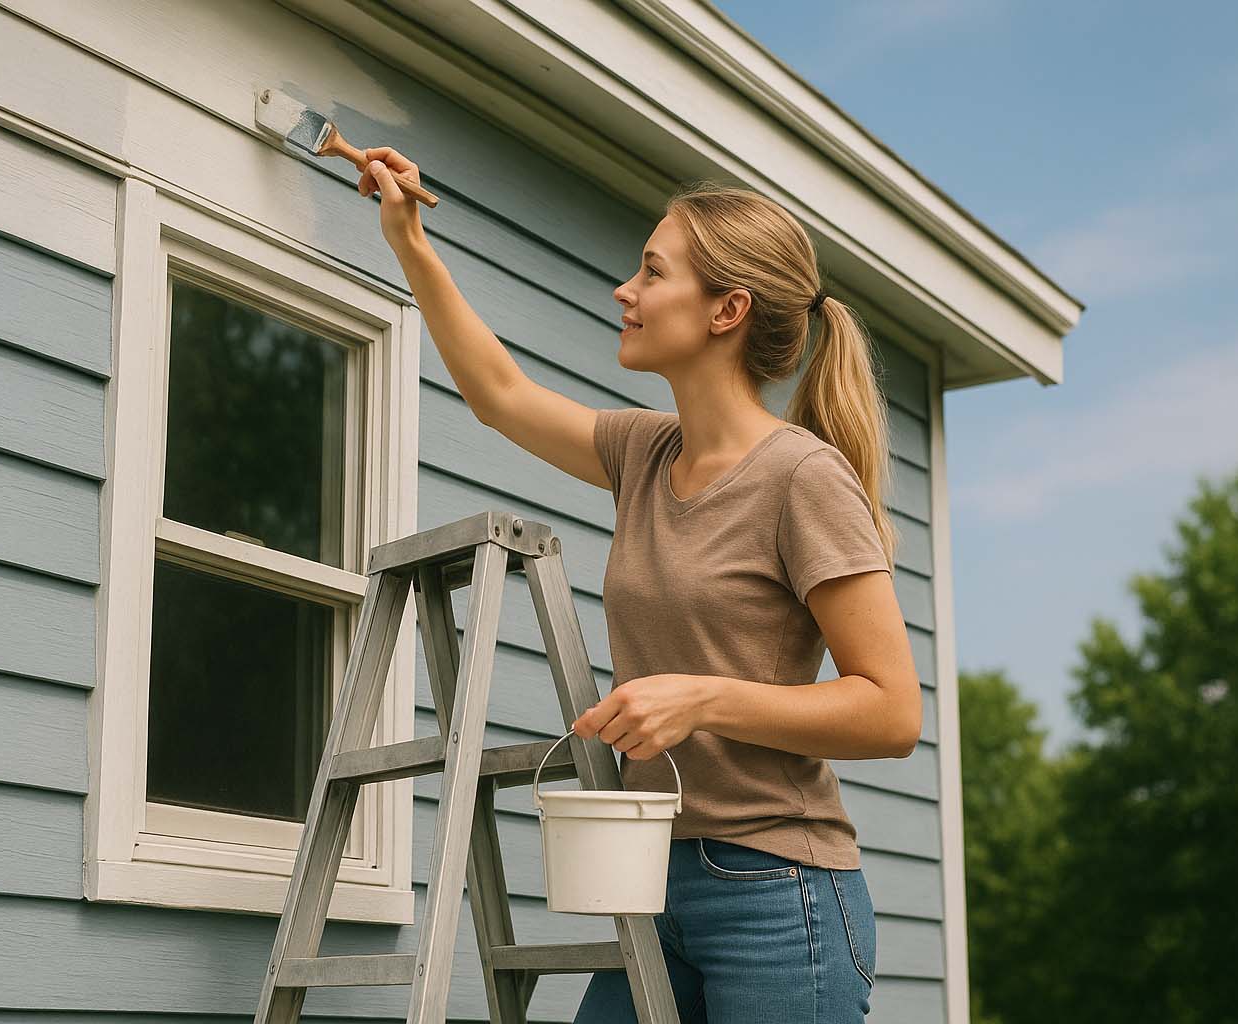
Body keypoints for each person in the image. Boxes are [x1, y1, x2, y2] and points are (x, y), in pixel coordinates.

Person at [358, 147, 922, 1023]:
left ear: (727, 309)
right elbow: (500, 395)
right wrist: (409, 240)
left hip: (779, 896)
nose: (625, 290)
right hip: (655, 881)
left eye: (653, 272)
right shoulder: (645, 452)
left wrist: (702, 699)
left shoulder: (803, 478)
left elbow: (892, 713)